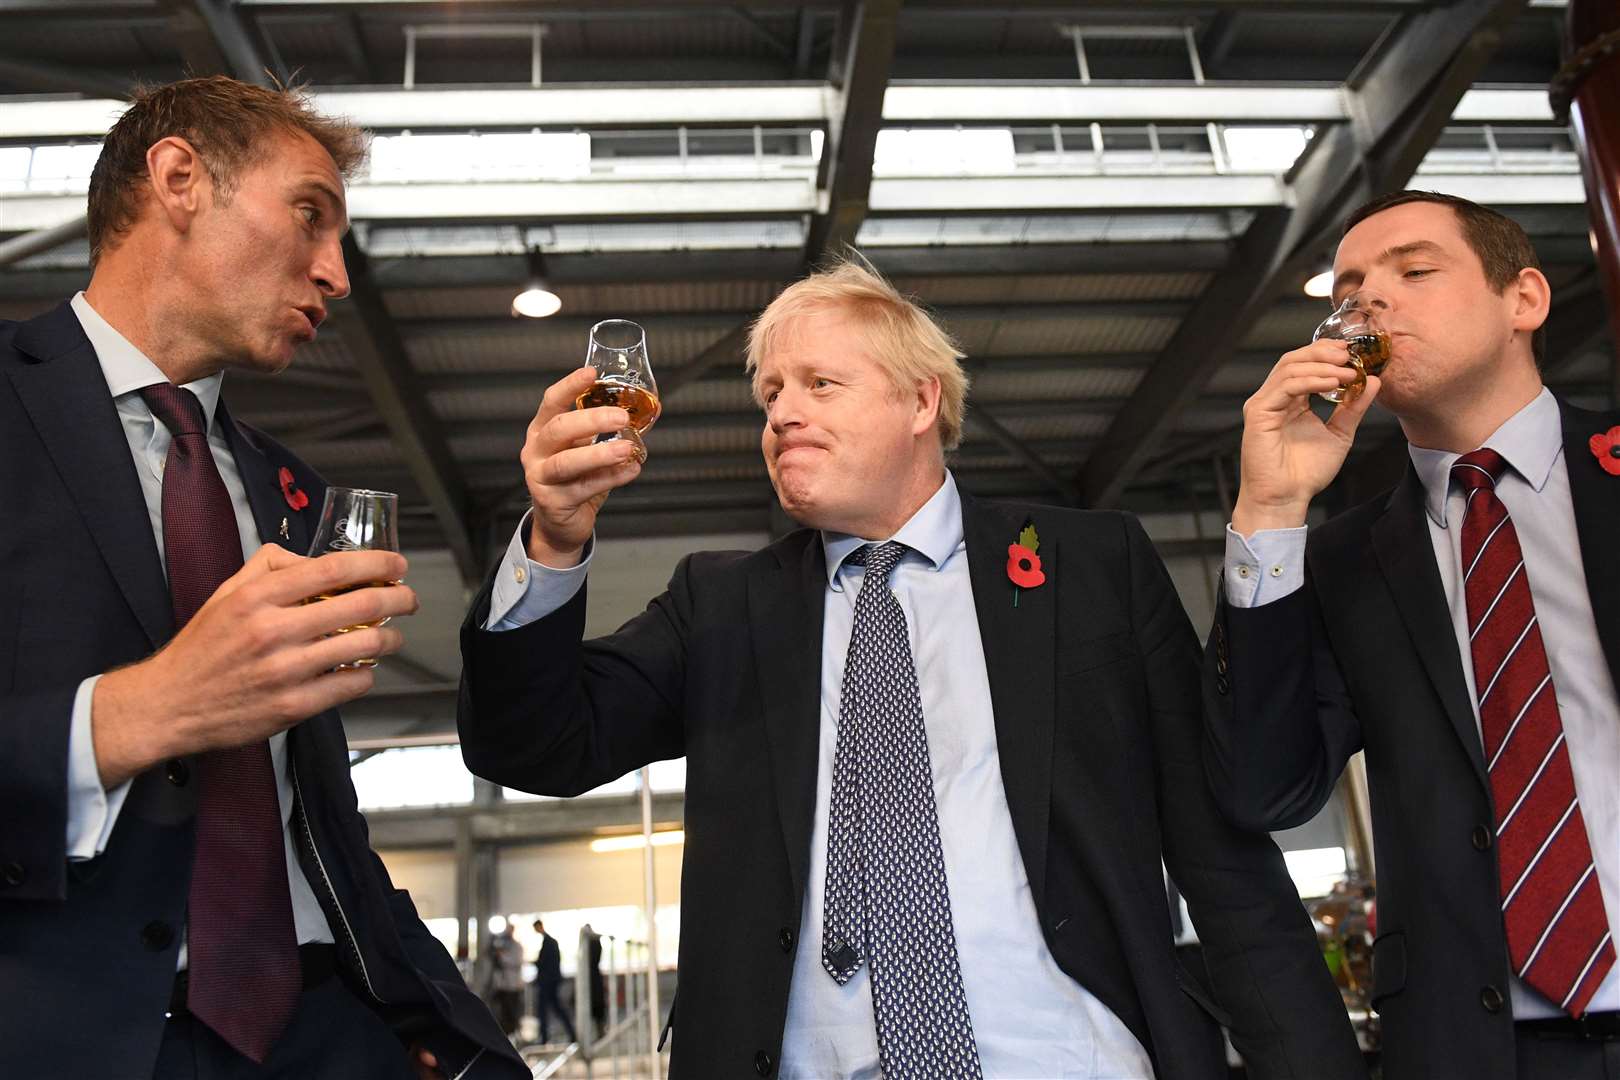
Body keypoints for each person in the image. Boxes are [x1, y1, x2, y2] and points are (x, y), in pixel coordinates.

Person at [458, 257, 1364, 1078]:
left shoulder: (1092, 567)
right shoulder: (723, 605)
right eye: (770, 392)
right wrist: (554, 540)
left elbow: (1219, 852)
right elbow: (534, 746)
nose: (782, 414)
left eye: (820, 383)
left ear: (922, 403)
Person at [0, 76, 527, 1080]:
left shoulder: (292, 491)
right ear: (179, 178)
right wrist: (131, 716)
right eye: (309, 215)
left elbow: (319, 825)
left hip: (320, 1027)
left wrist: (461, 1044)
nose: (337, 273)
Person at [1203, 190, 1620, 1079]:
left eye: (1414, 270)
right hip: (1480, 1045)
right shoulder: (1345, 560)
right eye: (1349, 288)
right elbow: (1262, 792)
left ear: (1526, 301)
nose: (1369, 302)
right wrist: (1272, 508)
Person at [531, 919, 577, 1045]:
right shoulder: (550, 942)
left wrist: (536, 964)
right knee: (556, 1009)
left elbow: (546, 964)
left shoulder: (549, 942)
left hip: (548, 982)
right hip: (550, 981)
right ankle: (570, 1033)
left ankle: (546, 1037)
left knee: (545, 1010)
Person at [486, 919, 526, 1041]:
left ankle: (514, 1035)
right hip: (503, 986)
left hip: (513, 986)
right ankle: (505, 1036)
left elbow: (515, 962)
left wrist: (502, 956)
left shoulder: (517, 947)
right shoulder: (502, 945)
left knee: (512, 1013)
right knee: (503, 1014)